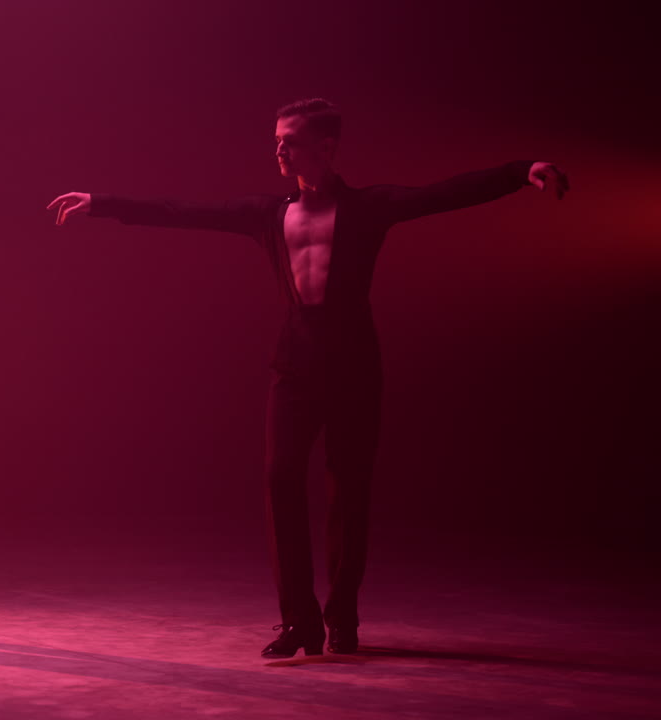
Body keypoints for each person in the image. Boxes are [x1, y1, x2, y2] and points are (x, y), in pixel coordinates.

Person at [48, 99, 568, 658]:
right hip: (293, 364)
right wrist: (102, 202)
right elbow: (184, 210)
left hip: (354, 364)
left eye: (290, 140)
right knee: (280, 481)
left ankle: (342, 615)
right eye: (276, 138)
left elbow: (442, 194)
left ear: (324, 148)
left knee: (349, 490)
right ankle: (299, 621)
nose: (278, 149)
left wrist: (520, 173)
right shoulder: (268, 212)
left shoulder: (371, 207)